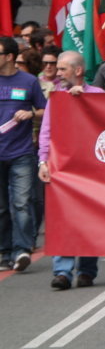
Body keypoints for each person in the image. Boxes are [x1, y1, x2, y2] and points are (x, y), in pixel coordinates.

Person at [38, 51, 103, 289]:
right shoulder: (55, 97)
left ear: (77, 71)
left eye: (63, 69)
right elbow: (47, 132)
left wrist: (83, 100)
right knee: (63, 218)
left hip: (91, 171)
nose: (58, 73)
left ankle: (86, 270)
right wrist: (42, 161)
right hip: (62, 168)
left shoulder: (99, 95)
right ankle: (62, 272)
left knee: (89, 220)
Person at [0, 35, 47, 273]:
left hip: (22, 152)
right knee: (1, 207)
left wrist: (31, 114)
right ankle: (4, 252)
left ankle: (22, 250)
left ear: (8, 56)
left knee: (21, 203)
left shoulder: (28, 81)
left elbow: (44, 109)